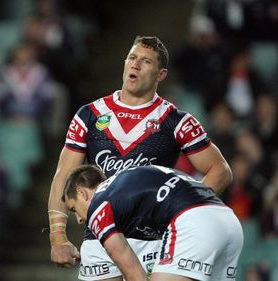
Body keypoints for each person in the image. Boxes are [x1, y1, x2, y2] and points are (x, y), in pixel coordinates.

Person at [47, 35, 233, 280]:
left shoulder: (176, 121)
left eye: (145, 61)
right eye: (132, 58)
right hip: (99, 238)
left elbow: (221, 170)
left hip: (153, 241)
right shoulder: (89, 115)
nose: (135, 64)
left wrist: (182, 214)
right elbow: (64, 176)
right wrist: (58, 236)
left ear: (161, 74)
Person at [62, 164, 243, 281]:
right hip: (228, 220)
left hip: (192, 221)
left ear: (82, 193)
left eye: (73, 209)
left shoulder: (99, 206)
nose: (78, 219)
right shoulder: (132, 175)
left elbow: (134, 273)